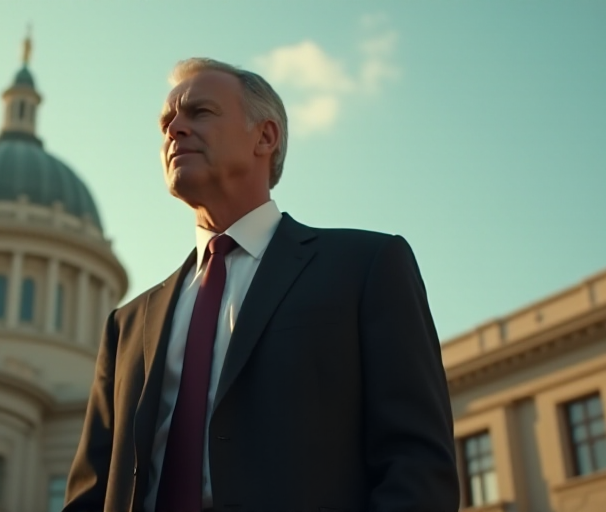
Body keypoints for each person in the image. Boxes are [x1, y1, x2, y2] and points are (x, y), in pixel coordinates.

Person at [63, 57, 459, 512]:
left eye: (200, 113)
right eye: (166, 122)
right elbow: (91, 493)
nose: (174, 130)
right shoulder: (128, 325)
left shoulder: (365, 267)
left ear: (265, 137)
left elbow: (417, 464)